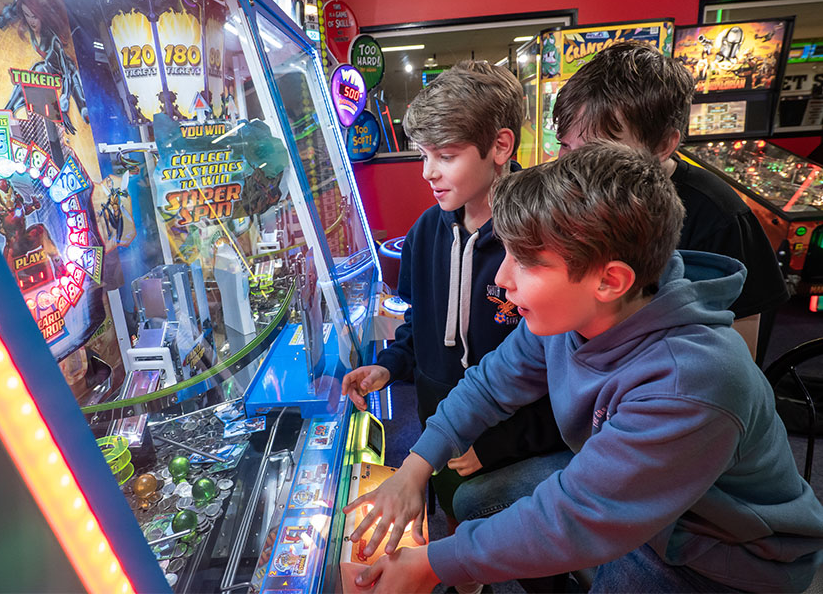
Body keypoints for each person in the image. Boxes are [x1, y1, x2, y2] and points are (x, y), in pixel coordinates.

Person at [344, 141, 823, 593]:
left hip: (725, 552)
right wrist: (414, 468)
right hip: (641, 498)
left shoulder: (691, 384)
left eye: (527, 262)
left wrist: (431, 566)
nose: (501, 277)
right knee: (473, 502)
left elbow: (578, 515)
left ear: (610, 280)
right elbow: (490, 385)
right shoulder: (575, 316)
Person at [341, 61, 566, 528]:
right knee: (453, 515)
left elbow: (564, 362)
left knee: (519, 545)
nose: (428, 172)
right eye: (423, 155)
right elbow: (418, 322)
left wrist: (499, 445)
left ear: (500, 146)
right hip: (436, 417)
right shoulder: (425, 231)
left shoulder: (542, 235)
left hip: (516, 439)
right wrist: (391, 364)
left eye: (445, 155)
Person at [552, 40, 788, 363]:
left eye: (597, 150)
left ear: (664, 143)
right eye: (565, 145)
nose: (574, 168)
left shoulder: (720, 218)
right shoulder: (566, 192)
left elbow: (738, 356)